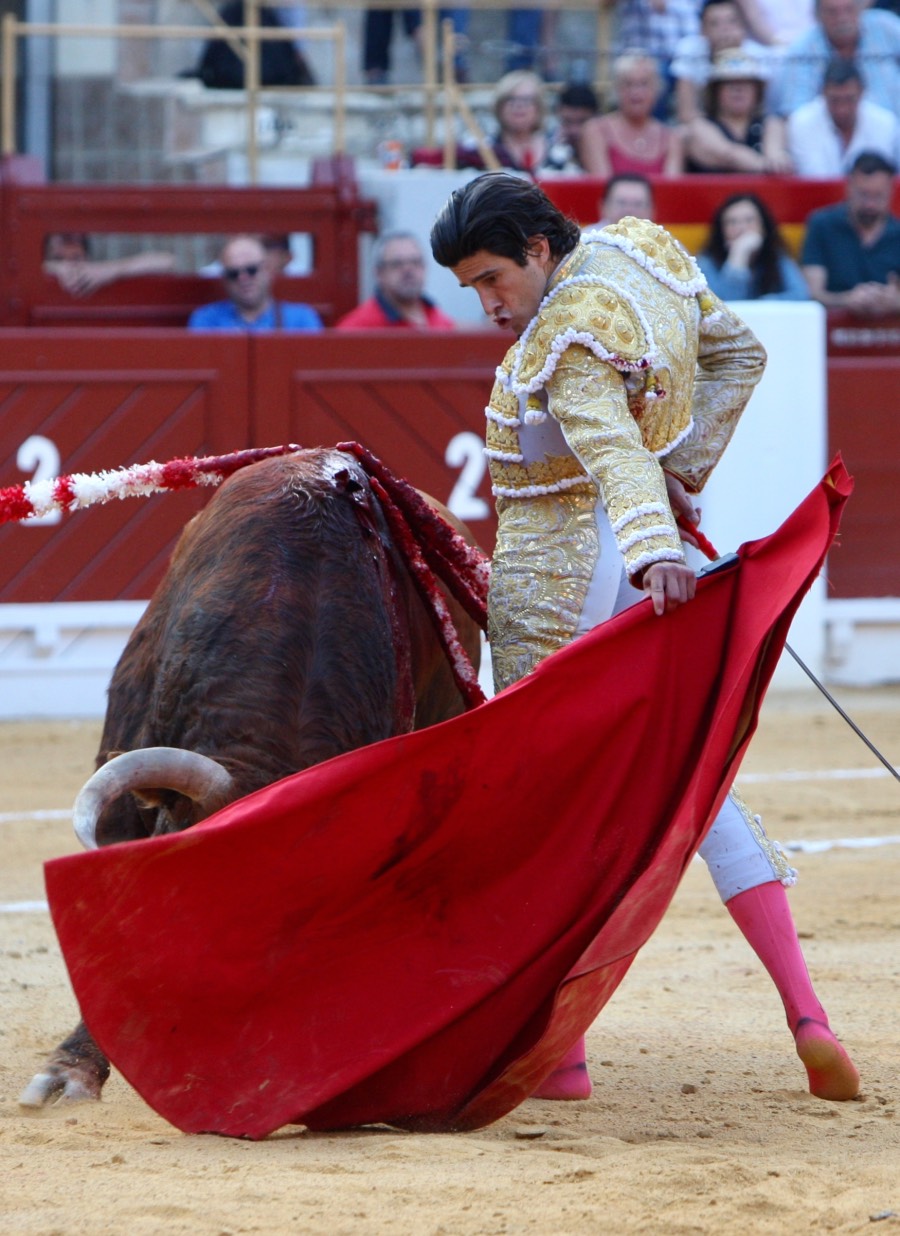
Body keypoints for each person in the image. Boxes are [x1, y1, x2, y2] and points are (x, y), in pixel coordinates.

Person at [430, 171, 859, 1105]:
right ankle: (807, 1012)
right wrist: (685, 477)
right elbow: (740, 355)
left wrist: (657, 533)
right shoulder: (642, 251)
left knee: (547, 812)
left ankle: (563, 1055)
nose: (488, 303)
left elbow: (611, 444)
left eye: (494, 278)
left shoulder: (566, 332)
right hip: (633, 573)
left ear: (539, 250)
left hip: (556, 590)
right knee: (698, 783)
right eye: (473, 288)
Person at [801, 150, 900, 317]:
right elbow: (812, 293)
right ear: (848, 187)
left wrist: (894, 301)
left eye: (878, 196)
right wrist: (846, 299)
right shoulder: (822, 225)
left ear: (891, 192)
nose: (870, 204)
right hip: (831, 330)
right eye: (863, 194)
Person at [770, 0, 900, 119]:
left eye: (848, 9)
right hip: (828, 140)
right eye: (833, 12)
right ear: (818, 16)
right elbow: (796, 112)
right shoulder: (801, 50)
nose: (842, 18)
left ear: (859, 9)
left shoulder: (887, 27)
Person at [684, 47, 793, 173]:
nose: (738, 89)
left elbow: (775, 154)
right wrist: (767, 166)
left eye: (745, 83)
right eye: (729, 83)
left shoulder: (771, 124)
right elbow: (727, 154)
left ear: (757, 91)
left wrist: (778, 160)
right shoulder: (700, 126)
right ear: (715, 92)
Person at [787, 58, 900, 177]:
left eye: (849, 99)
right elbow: (812, 176)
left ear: (862, 92)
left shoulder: (886, 124)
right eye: (834, 100)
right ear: (822, 92)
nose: (842, 109)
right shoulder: (801, 123)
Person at [579, 52, 685, 178]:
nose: (636, 92)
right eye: (628, 84)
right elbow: (603, 187)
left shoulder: (671, 138)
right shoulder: (596, 130)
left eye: (644, 84)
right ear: (616, 89)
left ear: (657, 89)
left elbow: (671, 191)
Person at [187, 234, 323, 331]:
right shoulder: (206, 320)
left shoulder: (301, 319)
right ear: (225, 280)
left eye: (251, 270)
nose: (243, 278)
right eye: (233, 273)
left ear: (268, 271)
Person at [671, 0, 772, 123]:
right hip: (704, 127)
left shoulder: (760, 56)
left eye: (732, 21)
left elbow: (764, 111)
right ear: (702, 30)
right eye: (715, 24)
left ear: (744, 27)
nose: (725, 29)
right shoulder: (690, 49)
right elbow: (686, 113)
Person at [697, 192, 811, 299]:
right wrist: (738, 256)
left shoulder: (777, 258)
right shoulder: (706, 264)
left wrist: (760, 306)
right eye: (732, 222)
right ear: (721, 231)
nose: (741, 228)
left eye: (749, 220)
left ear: (764, 227)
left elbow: (801, 295)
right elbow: (724, 307)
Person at [458, 71, 571, 176]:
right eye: (511, 99)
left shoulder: (559, 149)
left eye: (527, 100)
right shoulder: (483, 150)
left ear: (539, 107)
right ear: (499, 107)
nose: (519, 106)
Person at [335, 231, 456, 329]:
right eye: (397, 264)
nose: (408, 270)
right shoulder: (357, 329)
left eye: (415, 262)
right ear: (379, 273)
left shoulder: (440, 319)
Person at [42, 232, 177, 299]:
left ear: (87, 257)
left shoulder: (99, 275)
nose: (68, 265)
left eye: (75, 258)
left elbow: (168, 262)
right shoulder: (38, 277)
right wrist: (52, 268)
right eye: (58, 259)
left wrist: (109, 270)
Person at [545, 81, 601, 171]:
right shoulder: (544, 146)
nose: (574, 130)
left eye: (582, 122)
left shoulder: (609, 147)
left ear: (596, 117)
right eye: (568, 121)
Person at [590, 172, 656, 227]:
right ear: (604, 207)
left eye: (638, 204)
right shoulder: (585, 239)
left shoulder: (662, 240)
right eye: (621, 203)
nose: (629, 210)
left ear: (652, 210)